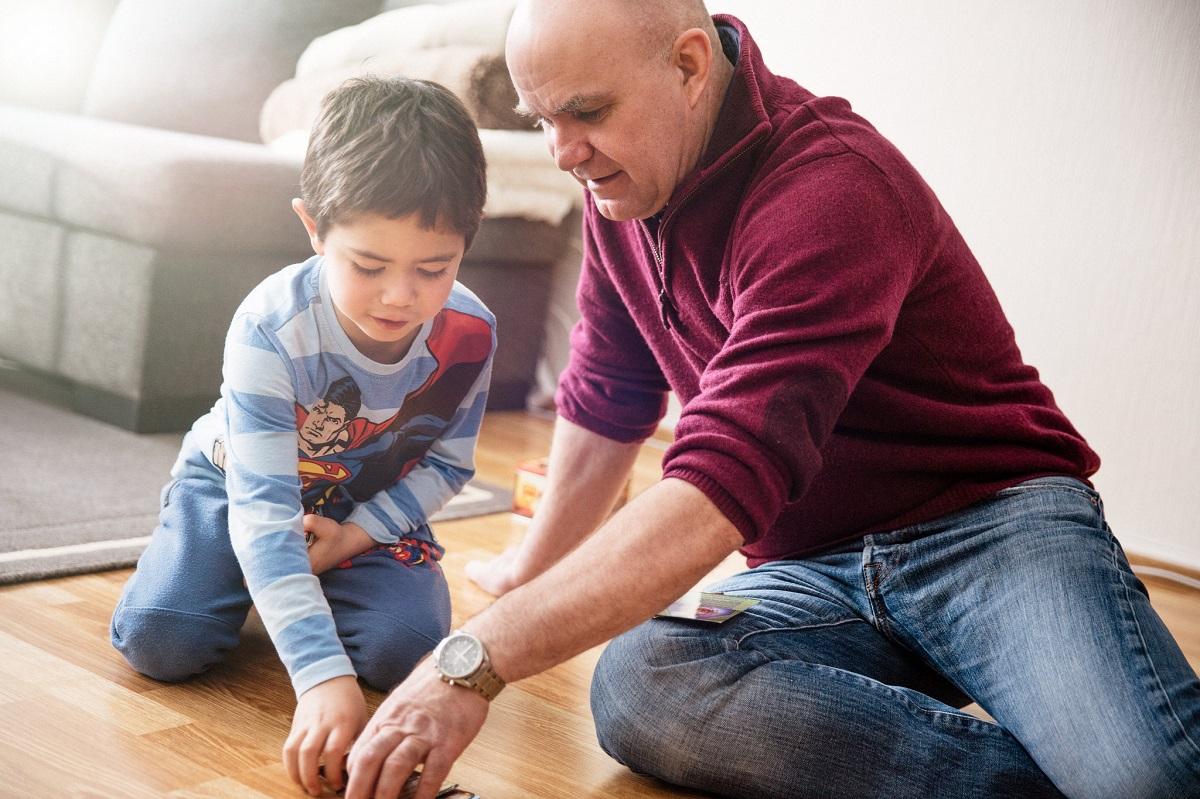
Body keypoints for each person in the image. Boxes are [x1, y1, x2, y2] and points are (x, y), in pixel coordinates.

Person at [343, 3, 1200, 798]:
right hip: (814, 567)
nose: (564, 152)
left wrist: (471, 661)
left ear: (687, 66)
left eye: (588, 112)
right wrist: (530, 574)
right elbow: (610, 396)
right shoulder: (620, 191)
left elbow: (723, 481)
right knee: (646, 680)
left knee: (1147, 776)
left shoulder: (834, 189)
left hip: (992, 530)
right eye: (543, 122)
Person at [109, 76, 495, 798]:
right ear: (313, 228)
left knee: (405, 650)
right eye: (368, 265)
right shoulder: (269, 328)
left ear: (468, 241)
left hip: (359, 506)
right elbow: (262, 511)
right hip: (242, 488)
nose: (399, 296)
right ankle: (240, 574)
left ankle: (293, 586)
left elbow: (447, 462)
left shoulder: (471, 333)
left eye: (433, 268)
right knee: (163, 636)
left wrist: (356, 536)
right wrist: (319, 675)